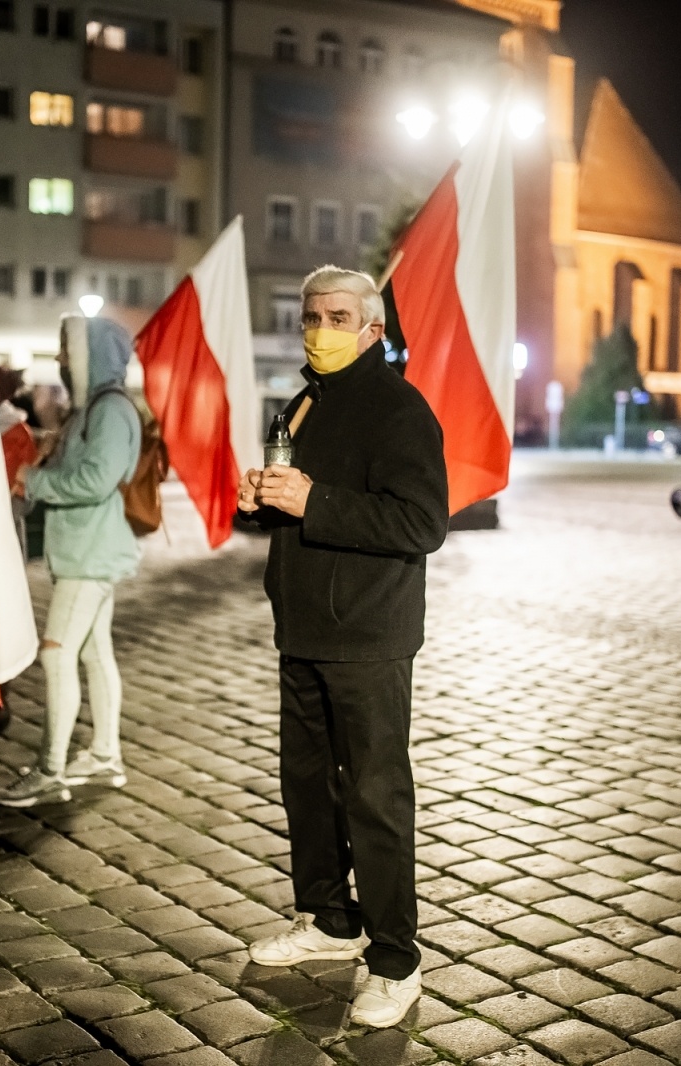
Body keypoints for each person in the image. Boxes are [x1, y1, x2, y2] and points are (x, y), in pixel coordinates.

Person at [237, 265, 449, 1029]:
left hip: (369, 637)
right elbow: (298, 502)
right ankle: (327, 920)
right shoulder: (305, 401)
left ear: (372, 329)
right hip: (302, 628)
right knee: (307, 787)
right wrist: (262, 501)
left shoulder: (399, 409)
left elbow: (421, 524)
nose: (320, 330)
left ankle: (397, 961)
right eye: (311, 316)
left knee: (375, 797)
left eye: (336, 317)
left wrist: (314, 501)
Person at [0, 316, 141, 808]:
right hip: (85, 551)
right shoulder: (94, 409)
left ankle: (51, 769)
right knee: (95, 655)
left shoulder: (108, 409)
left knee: (58, 654)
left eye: (66, 349)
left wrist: (33, 482)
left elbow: (95, 482)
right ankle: (104, 756)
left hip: (89, 555)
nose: (59, 359)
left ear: (89, 355)